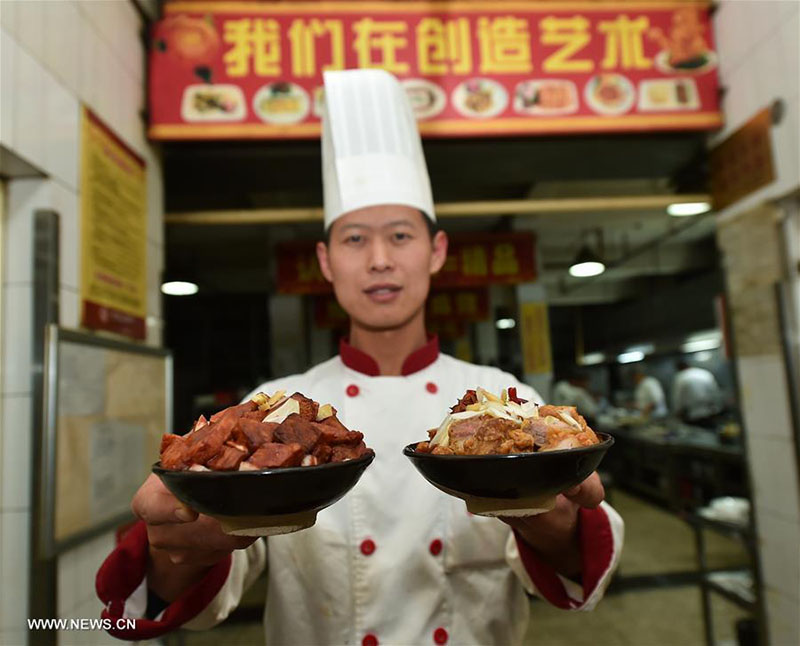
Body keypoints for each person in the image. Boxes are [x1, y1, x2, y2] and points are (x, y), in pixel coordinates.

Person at [97, 70, 623, 645]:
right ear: (325, 260)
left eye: (400, 236)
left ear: (437, 250)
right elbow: (177, 591)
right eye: (354, 239)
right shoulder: (274, 409)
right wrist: (177, 545)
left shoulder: (509, 402)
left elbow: (585, 568)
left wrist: (545, 509)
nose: (378, 260)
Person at [671, 360, 723, 426]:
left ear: (678, 368)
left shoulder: (680, 377)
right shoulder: (704, 373)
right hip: (710, 411)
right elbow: (715, 391)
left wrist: (677, 412)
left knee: (698, 433)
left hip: (692, 415)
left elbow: (677, 398)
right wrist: (718, 408)